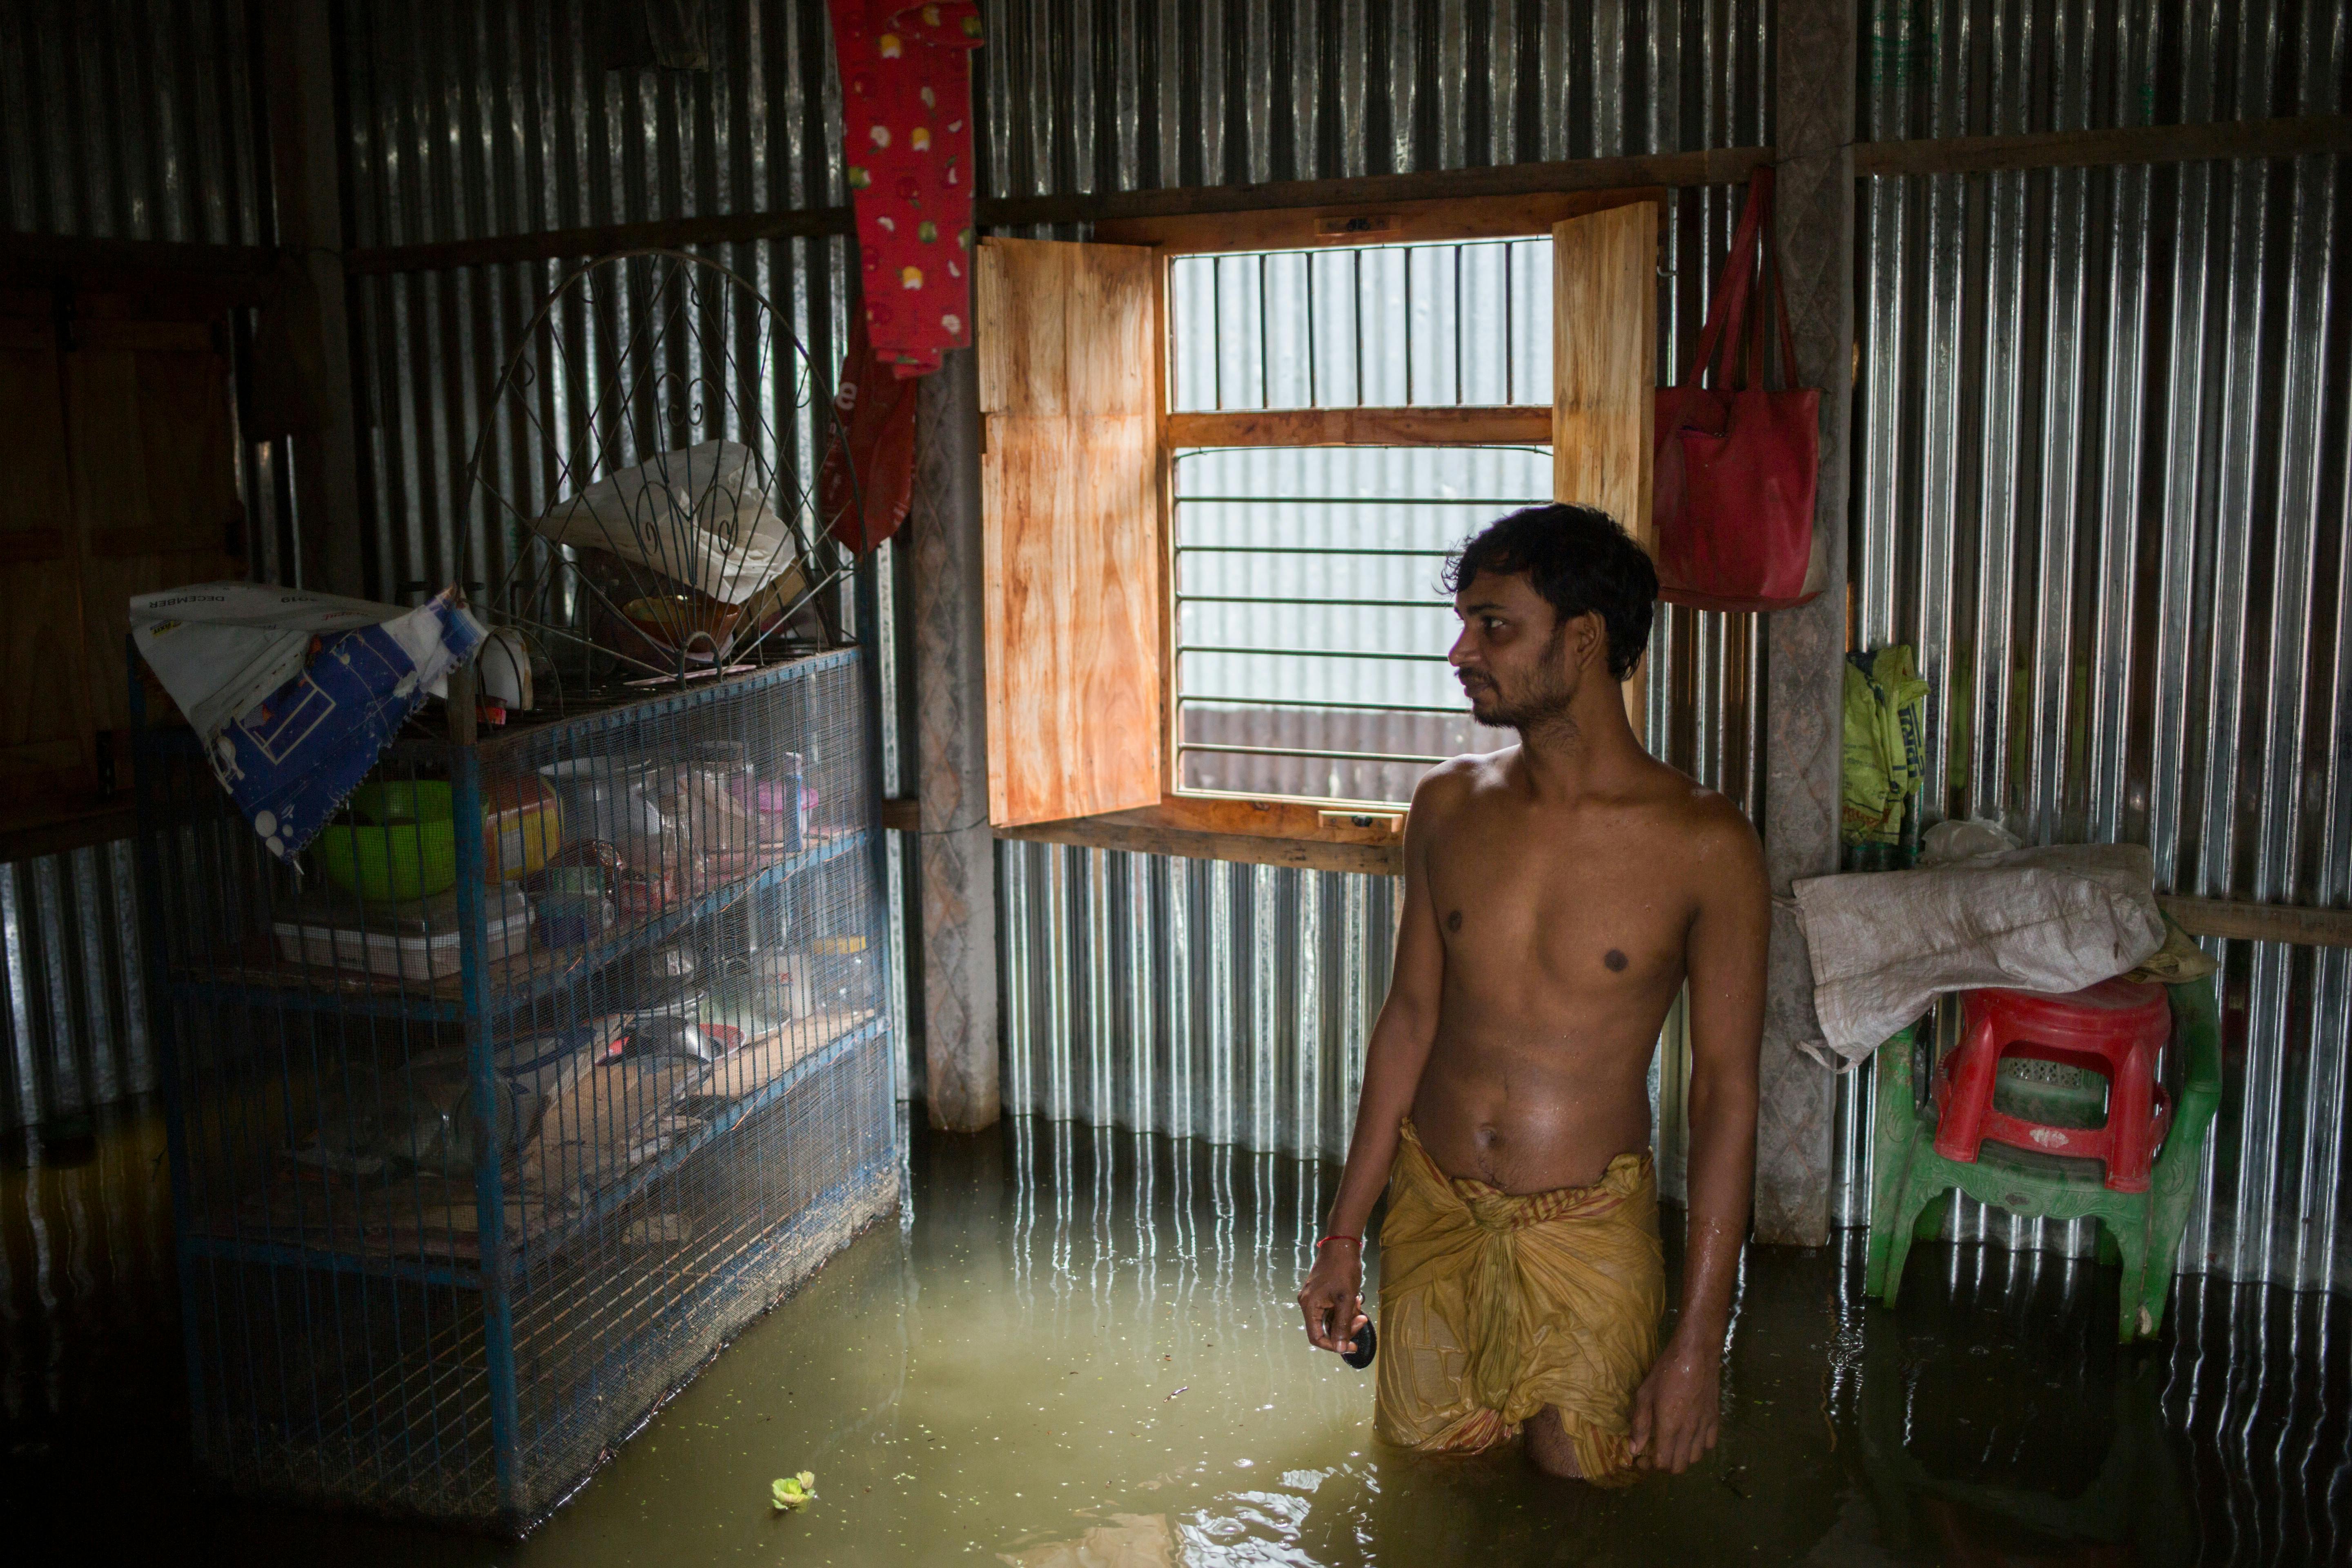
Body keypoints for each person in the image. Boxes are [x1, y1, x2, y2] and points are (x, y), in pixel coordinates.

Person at [1296, 502, 1768, 1485]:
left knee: (1582, 1489)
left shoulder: (1706, 845)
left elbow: (1727, 1093)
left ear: (1585, 641)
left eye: (1494, 625)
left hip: (1588, 1233)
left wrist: (1698, 1346)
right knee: (1426, 1483)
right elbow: (1409, 1022)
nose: (1462, 650)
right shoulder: (1446, 807)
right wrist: (1344, 1233)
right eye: (1466, 622)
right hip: (1433, 1211)